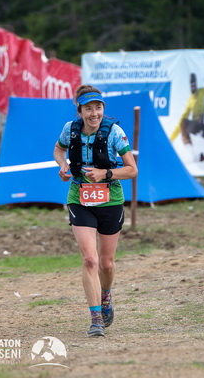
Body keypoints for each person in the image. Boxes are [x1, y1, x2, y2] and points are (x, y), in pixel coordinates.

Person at [53, 85, 138, 337]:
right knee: (90, 260)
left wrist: (105, 173)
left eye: (98, 108)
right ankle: (96, 318)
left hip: (110, 200)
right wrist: (63, 166)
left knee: (106, 264)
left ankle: (106, 295)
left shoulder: (114, 133)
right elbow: (58, 149)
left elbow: (132, 170)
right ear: (79, 111)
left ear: (103, 109)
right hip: (79, 198)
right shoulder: (70, 130)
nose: (94, 113)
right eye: (88, 108)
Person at [170, 59, 204, 161]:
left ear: (196, 84)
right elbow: (181, 122)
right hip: (197, 126)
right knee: (183, 122)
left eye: (194, 85)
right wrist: (172, 138)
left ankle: (203, 157)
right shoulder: (190, 101)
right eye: (191, 86)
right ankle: (189, 146)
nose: (193, 87)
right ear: (190, 86)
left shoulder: (201, 92)